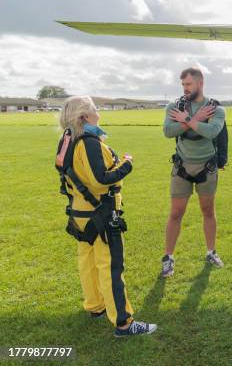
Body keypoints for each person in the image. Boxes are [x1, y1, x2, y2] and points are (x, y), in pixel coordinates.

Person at [56, 96, 157, 337]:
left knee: (88, 262)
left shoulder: (68, 139)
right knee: (110, 266)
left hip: (80, 213)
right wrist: (126, 165)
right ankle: (123, 323)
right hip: (100, 214)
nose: (98, 111)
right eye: (94, 108)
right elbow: (101, 179)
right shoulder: (89, 142)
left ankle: (95, 306)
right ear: (84, 116)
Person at [161, 67, 226, 277]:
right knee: (176, 213)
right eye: (183, 85)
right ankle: (168, 258)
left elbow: (212, 132)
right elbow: (168, 132)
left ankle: (211, 252)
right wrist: (196, 120)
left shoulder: (216, 109)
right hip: (182, 167)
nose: (185, 89)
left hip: (206, 167)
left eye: (188, 84)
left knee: (208, 210)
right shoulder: (174, 106)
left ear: (200, 83)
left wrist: (187, 120)